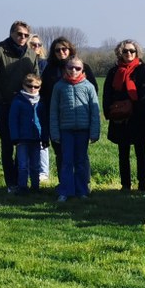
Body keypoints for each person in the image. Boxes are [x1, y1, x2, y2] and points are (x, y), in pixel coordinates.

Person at [0, 21, 39, 190]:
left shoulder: (31, 54)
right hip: (6, 105)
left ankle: (24, 181)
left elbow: (36, 78)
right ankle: (11, 182)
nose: (22, 37)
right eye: (19, 34)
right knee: (8, 145)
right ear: (11, 33)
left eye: (26, 35)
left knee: (24, 145)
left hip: (27, 106)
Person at [39, 37, 97, 186]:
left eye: (64, 49)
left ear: (70, 50)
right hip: (58, 119)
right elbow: (44, 94)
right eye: (57, 50)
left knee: (81, 155)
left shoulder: (83, 66)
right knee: (61, 154)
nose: (61, 52)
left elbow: (93, 92)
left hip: (81, 118)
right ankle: (65, 184)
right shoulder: (49, 70)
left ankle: (83, 184)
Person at [103, 39, 145, 192]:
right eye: (125, 51)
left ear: (137, 52)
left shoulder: (143, 71)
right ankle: (125, 184)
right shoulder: (114, 71)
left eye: (132, 51)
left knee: (140, 151)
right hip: (119, 117)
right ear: (120, 52)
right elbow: (107, 93)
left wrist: (133, 109)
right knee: (123, 151)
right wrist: (111, 112)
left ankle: (142, 184)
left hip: (138, 117)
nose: (129, 53)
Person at [49, 57, 101, 202]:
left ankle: (82, 191)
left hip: (83, 130)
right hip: (66, 130)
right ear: (65, 69)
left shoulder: (88, 86)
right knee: (66, 161)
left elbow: (95, 111)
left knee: (80, 161)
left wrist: (94, 132)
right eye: (70, 67)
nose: (73, 70)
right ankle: (65, 191)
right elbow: (53, 111)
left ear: (82, 70)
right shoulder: (59, 86)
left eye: (77, 68)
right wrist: (54, 132)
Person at [9, 73, 44, 194]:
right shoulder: (18, 100)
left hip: (36, 137)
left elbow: (44, 121)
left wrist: (45, 137)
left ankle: (35, 187)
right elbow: (13, 120)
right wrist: (15, 137)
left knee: (36, 165)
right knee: (23, 164)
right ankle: (22, 187)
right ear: (24, 85)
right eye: (29, 86)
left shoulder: (40, 101)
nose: (33, 89)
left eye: (36, 86)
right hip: (22, 138)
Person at [29, 35, 50, 182]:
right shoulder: (24, 62)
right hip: (26, 102)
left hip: (41, 103)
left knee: (42, 136)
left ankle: (43, 171)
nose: (36, 47)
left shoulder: (44, 64)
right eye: (33, 44)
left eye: (39, 44)